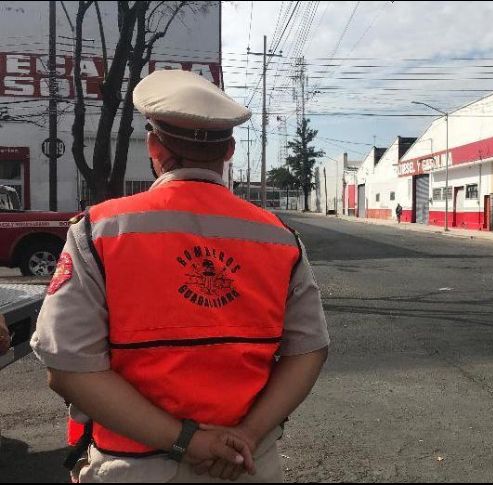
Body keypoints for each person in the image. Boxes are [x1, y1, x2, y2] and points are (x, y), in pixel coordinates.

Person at [31, 69, 329, 483]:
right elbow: (309, 351)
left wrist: (187, 441)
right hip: (248, 464)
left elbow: (67, 368)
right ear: (229, 151)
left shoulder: (99, 230)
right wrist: (247, 433)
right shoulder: (280, 238)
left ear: (155, 147)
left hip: (135, 467)